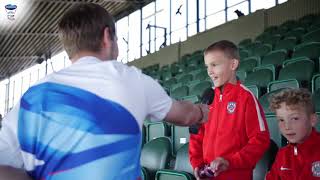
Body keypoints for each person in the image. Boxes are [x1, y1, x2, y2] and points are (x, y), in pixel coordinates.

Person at [0, 3, 208, 180]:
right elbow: (185, 115)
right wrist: (203, 111)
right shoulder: (132, 79)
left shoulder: (32, 96)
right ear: (107, 36)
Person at [189, 40, 270, 180]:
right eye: (207, 66)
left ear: (233, 64)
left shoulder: (246, 98)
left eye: (214, 65)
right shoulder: (207, 98)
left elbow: (260, 140)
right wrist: (197, 164)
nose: (209, 71)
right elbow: (196, 135)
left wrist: (229, 162)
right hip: (208, 176)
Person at [266, 88, 320, 179]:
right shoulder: (282, 154)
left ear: (312, 120)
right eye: (281, 120)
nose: (287, 127)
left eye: (295, 119)